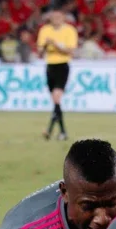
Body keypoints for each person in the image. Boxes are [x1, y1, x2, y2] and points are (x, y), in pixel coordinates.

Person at [38, 10, 78, 141]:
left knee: (56, 97)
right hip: (50, 65)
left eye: (59, 17)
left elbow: (71, 51)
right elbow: (39, 51)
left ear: (63, 18)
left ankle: (56, 130)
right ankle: (59, 132)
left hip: (62, 65)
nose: (56, 19)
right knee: (55, 101)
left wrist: (54, 44)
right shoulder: (45, 30)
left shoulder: (70, 31)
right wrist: (45, 45)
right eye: (53, 17)